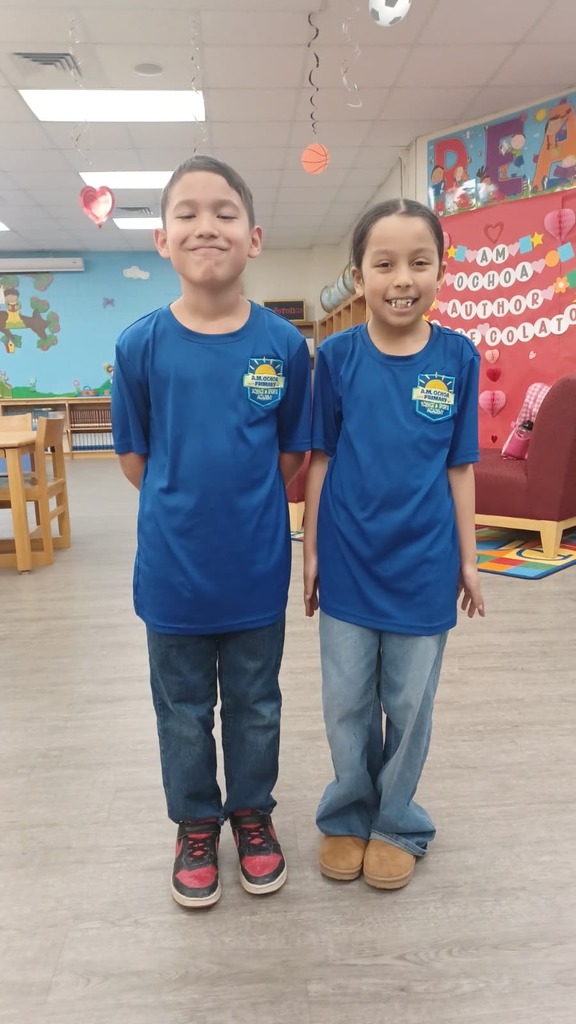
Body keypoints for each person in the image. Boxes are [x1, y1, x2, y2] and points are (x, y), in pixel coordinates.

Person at [112, 155, 311, 909]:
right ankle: (196, 822)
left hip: (256, 567)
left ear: (253, 237)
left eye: (225, 213)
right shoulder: (140, 346)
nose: (207, 226)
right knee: (183, 711)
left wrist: (243, 505)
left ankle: (251, 814)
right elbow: (136, 459)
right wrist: (185, 505)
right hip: (172, 573)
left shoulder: (284, 347)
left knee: (257, 705)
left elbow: (290, 455)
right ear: (162, 239)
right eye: (187, 213)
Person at [303, 198, 484, 891]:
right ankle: (348, 813)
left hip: (424, 566)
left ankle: (397, 821)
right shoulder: (336, 357)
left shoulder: (457, 357)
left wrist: (469, 560)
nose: (402, 278)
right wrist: (309, 551)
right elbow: (321, 458)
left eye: (419, 262)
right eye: (384, 263)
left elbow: (459, 467)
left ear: (441, 270)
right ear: (359, 276)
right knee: (347, 701)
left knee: (409, 705)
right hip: (348, 561)